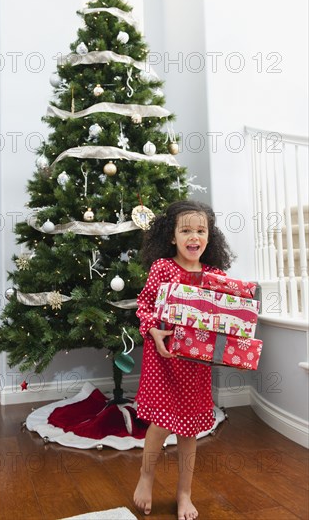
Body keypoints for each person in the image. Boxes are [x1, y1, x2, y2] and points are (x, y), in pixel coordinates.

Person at [133, 200, 235, 520]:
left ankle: (184, 493)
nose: (194, 236)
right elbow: (145, 305)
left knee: (189, 430)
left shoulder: (215, 276)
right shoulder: (163, 268)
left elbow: (226, 317)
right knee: (161, 423)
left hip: (195, 365)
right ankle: (146, 477)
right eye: (186, 230)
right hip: (164, 359)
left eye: (200, 230)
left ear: (209, 237)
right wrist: (153, 331)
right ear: (172, 236)